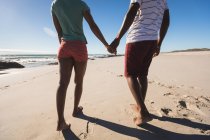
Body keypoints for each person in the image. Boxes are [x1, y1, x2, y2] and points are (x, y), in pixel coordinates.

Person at [51, 0, 114, 131]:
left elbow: (59, 32)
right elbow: (93, 26)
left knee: (62, 84)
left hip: (64, 46)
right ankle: (75, 110)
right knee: (78, 82)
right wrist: (106, 44)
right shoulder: (80, 4)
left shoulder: (55, 4)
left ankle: (60, 121)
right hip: (79, 46)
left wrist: (64, 45)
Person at [110, 0, 170, 125]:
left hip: (137, 38)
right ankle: (140, 105)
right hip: (152, 40)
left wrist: (117, 38)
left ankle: (142, 111)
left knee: (130, 74)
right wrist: (159, 43)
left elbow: (131, 12)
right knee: (142, 75)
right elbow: (166, 20)